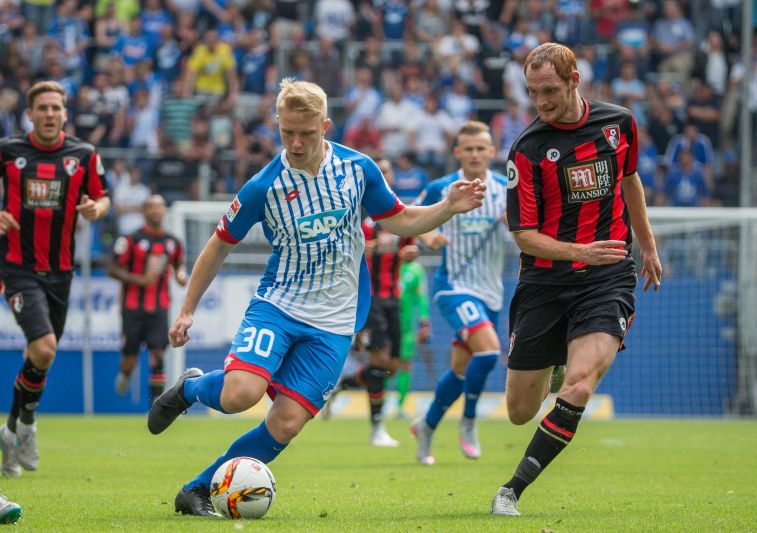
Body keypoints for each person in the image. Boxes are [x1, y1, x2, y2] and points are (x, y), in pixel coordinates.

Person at [146, 78, 486, 517]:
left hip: (335, 323)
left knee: (286, 423)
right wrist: (187, 309)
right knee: (239, 395)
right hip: (279, 307)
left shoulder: (358, 169)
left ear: (325, 126)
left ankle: (195, 490)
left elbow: (400, 220)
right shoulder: (263, 186)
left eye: (306, 133)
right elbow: (218, 245)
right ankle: (190, 388)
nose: (296, 143)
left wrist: (447, 208)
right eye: (287, 132)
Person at [491, 42, 661, 516]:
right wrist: (578, 251)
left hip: (608, 276)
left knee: (581, 384)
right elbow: (524, 236)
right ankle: (554, 363)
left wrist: (647, 245)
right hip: (545, 283)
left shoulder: (618, 123)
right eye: (532, 92)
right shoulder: (527, 150)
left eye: (549, 90)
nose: (540, 101)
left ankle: (511, 490)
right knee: (519, 411)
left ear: (574, 81)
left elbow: (629, 179)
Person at [0, 81, 110, 478]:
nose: (49, 114)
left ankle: (12, 430)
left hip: (61, 272)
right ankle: (26, 426)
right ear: (30, 114)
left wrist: (97, 209)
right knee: (44, 348)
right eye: (42, 108)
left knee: (39, 356)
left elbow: (103, 196)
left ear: (66, 114)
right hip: (17, 266)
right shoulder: (8, 151)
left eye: (56, 108)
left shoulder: (83, 155)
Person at [410, 121, 508, 465]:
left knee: (460, 371)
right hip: (453, 287)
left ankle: (426, 425)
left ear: (491, 152)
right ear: (457, 153)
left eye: (481, 148)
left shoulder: (506, 189)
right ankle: (469, 421)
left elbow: (525, 230)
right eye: (469, 149)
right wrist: (429, 237)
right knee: (489, 352)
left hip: (491, 291)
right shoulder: (441, 187)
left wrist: (515, 223)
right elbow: (411, 218)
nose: (475, 154)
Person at [337, 156, 417, 447]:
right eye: (379, 171)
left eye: (387, 171)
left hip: (394, 297)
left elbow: (409, 250)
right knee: (380, 361)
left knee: (391, 366)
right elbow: (340, 254)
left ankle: (343, 385)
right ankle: (377, 429)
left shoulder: (398, 216)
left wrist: (411, 254)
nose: (384, 175)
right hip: (370, 298)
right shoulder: (358, 216)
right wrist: (360, 251)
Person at [108, 195, 187, 405]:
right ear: (144, 211)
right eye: (151, 207)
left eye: (159, 207)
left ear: (164, 211)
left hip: (160, 307)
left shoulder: (173, 242)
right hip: (132, 308)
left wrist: (180, 274)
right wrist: (140, 280)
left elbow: (179, 264)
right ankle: (125, 373)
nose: (156, 211)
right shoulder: (130, 240)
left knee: (158, 355)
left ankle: (156, 406)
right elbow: (112, 268)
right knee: (129, 360)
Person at [395, 252, 430, 418]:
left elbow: (421, 297)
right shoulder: (389, 264)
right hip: (385, 323)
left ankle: (400, 406)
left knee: (405, 364)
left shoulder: (416, 270)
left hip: (406, 327)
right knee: (383, 363)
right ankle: (380, 405)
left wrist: (424, 322)